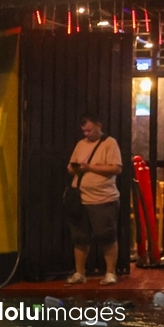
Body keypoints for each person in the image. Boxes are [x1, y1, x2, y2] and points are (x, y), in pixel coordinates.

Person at [66, 114, 123, 285]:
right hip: (81, 199)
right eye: (84, 131)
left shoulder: (109, 143)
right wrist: (74, 169)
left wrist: (90, 167)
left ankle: (110, 272)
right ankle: (79, 273)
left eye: (89, 130)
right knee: (80, 237)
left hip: (103, 199)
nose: (86, 134)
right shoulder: (80, 145)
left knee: (107, 236)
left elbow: (116, 168)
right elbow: (71, 167)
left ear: (99, 125)